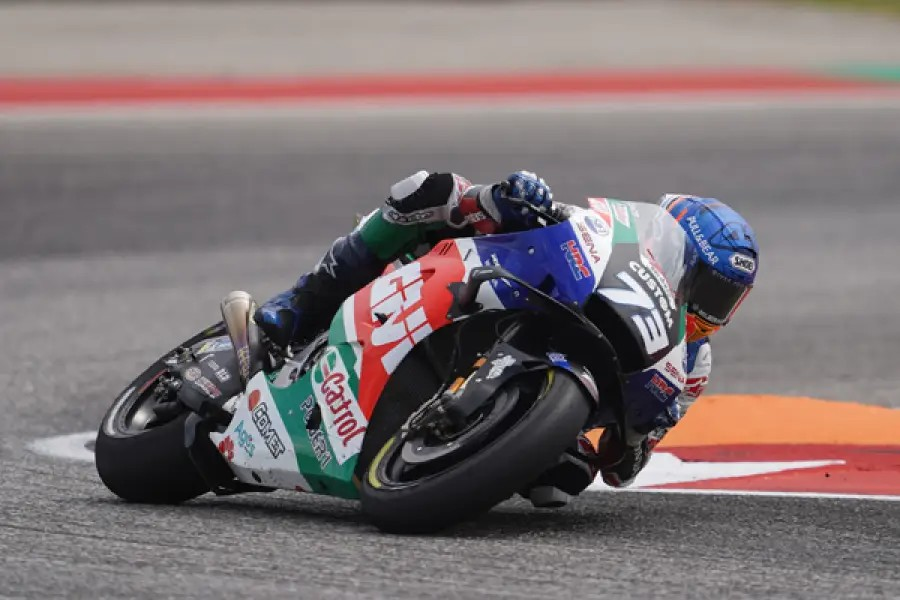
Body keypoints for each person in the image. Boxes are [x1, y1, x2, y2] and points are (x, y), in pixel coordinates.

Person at [254, 171, 759, 506]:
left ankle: (456, 455)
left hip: (552, 394)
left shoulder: (691, 366)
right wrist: (516, 196)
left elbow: (622, 469)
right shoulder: (608, 237)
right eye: (704, 288)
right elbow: (530, 216)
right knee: (432, 190)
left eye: (723, 300)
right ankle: (303, 302)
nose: (705, 309)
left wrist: (641, 434)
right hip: (483, 285)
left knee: (564, 481)